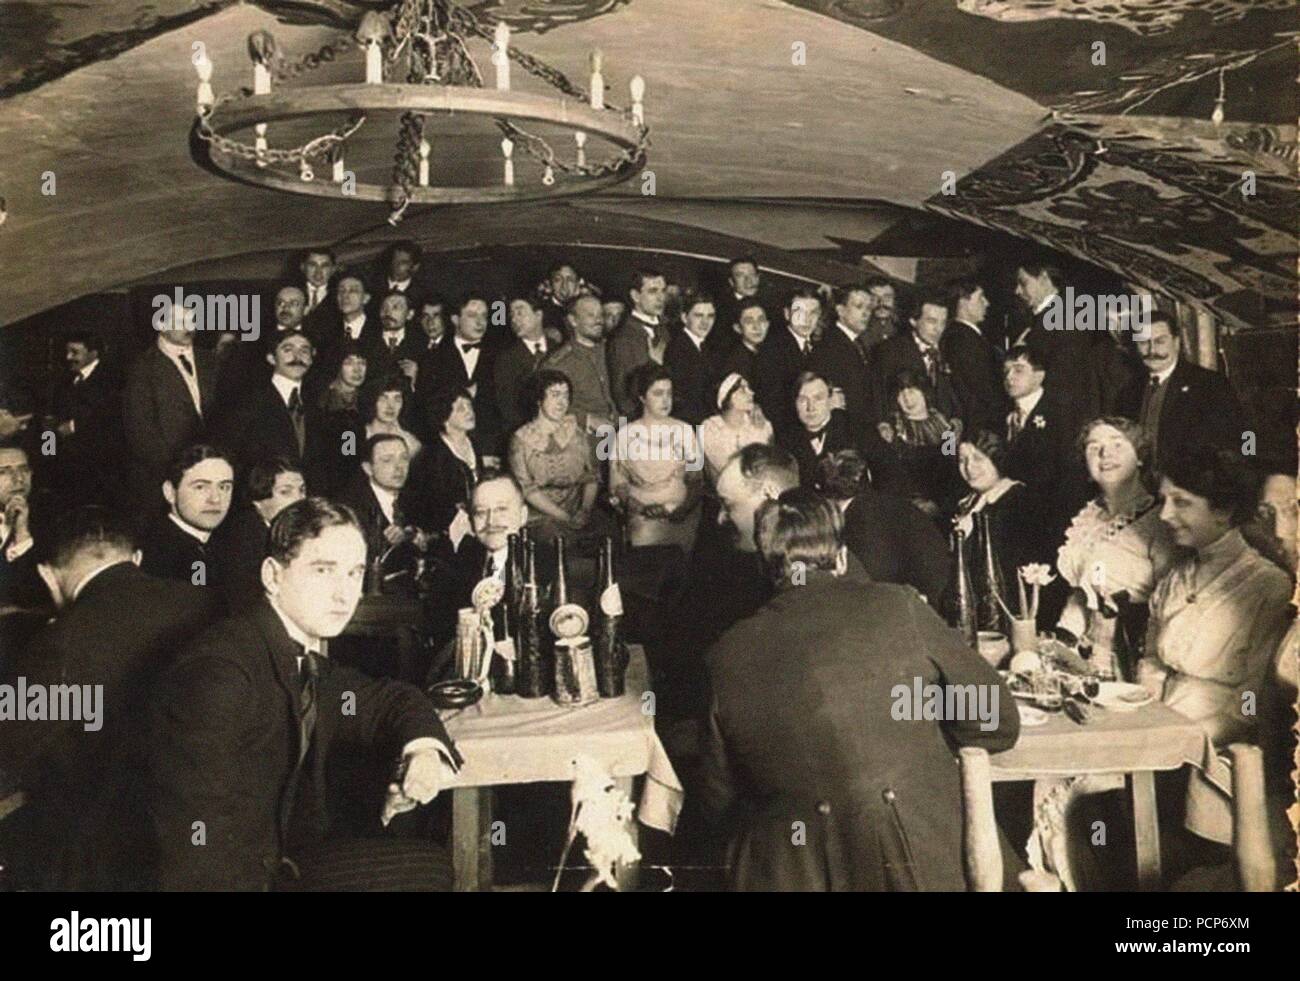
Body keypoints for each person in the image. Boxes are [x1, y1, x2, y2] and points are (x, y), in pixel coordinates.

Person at [699, 488, 1018, 891]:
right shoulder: (897, 605)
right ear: (843, 557)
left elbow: (718, 800)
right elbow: (998, 720)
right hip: (917, 862)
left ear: (765, 567)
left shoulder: (725, 654)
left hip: (794, 873)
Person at [148, 497, 463, 891]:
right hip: (238, 879)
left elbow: (390, 700)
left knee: (431, 864)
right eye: (323, 570)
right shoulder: (220, 674)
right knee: (427, 872)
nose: (344, 593)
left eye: (353, 573)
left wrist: (423, 751)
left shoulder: (294, 652)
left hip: (278, 858)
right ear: (272, 576)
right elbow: (195, 845)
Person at [0, 506, 220, 889]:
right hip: (206, 832)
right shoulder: (206, 605)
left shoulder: (59, 643)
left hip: (105, 855)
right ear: (136, 559)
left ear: (47, 575)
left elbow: (8, 745)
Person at [1141, 449, 1293, 748]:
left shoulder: (1268, 586)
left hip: (1218, 744)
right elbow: (1151, 660)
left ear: (1223, 511)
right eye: (1164, 501)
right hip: (1159, 722)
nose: (1164, 515)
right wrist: (1144, 718)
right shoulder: (1175, 576)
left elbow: (1251, 701)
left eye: (1181, 503)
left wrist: (1183, 742)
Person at [1055, 417, 1177, 677]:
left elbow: (1172, 606)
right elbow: (1084, 592)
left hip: (1137, 662)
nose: (1105, 453)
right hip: (1085, 658)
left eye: (1118, 444)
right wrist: (1062, 642)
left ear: (1140, 457)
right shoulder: (1090, 517)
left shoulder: (1161, 520)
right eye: (1093, 447)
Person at [823, 450, 952, 611]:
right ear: (868, 477)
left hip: (904, 614)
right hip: (936, 609)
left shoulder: (853, 524)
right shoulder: (896, 507)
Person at [1120, 314, 1248, 473]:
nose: (1152, 350)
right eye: (1144, 342)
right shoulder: (1129, 392)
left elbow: (1240, 439)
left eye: (1160, 341)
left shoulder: (1210, 385)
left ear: (1176, 342)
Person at [122, 305, 218, 515]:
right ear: (161, 326)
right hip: (161, 478)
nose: (190, 328)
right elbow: (140, 431)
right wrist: (176, 473)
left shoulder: (209, 360)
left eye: (193, 321)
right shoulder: (142, 368)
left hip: (209, 472)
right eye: (181, 322)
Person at [952, 431, 1051, 631]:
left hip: (1005, 618)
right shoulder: (970, 503)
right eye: (962, 460)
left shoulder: (1018, 501)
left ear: (997, 459)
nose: (969, 467)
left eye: (978, 458)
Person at [215, 329, 327, 492]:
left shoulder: (315, 406)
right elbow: (228, 457)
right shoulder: (247, 401)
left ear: (311, 358)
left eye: (304, 350)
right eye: (288, 350)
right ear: (271, 358)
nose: (297, 357)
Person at [609, 363, 703, 550]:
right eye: (658, 394)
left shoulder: (685, 431)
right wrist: (642, 509)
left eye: (669, 393)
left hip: (681, 518)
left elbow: (696, 479)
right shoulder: (625, 435)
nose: (666, 400)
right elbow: (617, 485)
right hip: (642, 521)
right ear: (642, 397)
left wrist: (682, 509)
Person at [509, 370, 600, 545]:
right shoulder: (520, 440)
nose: (562, 402)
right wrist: (565, 517)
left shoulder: (576, 432)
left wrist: (585, 510)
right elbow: (527, 489)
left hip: (578, 511)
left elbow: (591, 476)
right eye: (555, 395)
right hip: (540, 516)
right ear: (538, 399)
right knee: (558, 541)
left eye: (566, 396)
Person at [211, 458, 306, 609]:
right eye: (285, 492)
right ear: (258, 500)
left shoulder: (287, 529)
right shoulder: (241, 540)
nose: (299, 500)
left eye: (301, 490)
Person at [415, 293, 501, 455]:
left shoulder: (500, 355)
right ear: (455, 320)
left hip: (492, 450)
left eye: (484, 316)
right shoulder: (431, 359)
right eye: (472, 315)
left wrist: (489, 451)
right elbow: (425, 412)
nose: (480, 322)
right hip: (447, 451)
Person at [43, 331, 120, 508]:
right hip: (71, 470)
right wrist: (49, 453)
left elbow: (111, 415)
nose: (68, 357)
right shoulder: (65, 382)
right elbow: (51, 424)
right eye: (67, 352)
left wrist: (74, 426)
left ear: (93, 353)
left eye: (75, 352)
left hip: (103, 470)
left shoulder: (112, 379)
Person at [139, 443, 234, 587]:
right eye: (200, 487)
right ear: (170, 492)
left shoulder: (221, 545)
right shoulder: (160, 554)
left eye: (224, 487)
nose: (215, 499)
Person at [876, 368, 962, 518]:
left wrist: (941, 504)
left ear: (925, 392)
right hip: (907, 508)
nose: (907, 399)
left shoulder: (945, 426)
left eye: (912, 391)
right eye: (901, 394)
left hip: (943, 505)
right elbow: (890, 477)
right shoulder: (893, 429)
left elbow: (951, 469)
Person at [869, 290, 961, 424]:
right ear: (913, 321)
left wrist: (956, 419)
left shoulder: (947, 352)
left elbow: (950, 398)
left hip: (942, 436)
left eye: (943, 323)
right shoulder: (890, 350)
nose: (938, 329)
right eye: (932, 321)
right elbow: (879, 398)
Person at [543, 293, 617, 439]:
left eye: (601, 314)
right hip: (583, 441)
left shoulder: (612, 350)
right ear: (573, 320)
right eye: (590, 315)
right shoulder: (559, 363)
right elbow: (546, 407)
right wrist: (585, 420)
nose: (598, 320)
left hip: (620, 438)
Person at [808, 285, 876, 438]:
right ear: (841, 310)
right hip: (842, 432)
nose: (866, 313)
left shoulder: (859, 344)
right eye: (859, 306)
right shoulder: (829, 345)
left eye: (869, 308)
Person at [413, 388, 480, 537]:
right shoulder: (433, 455)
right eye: (461, 408)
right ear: (444, 416)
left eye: (470, 406)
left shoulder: (473, 444)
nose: (469, 412)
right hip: (447, 530)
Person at [942, 280, 1006, 435]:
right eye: (981, 298)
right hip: (975, 427)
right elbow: (981, 387)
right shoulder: (962, 339)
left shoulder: (967, 336)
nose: (987, 303)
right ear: (963, 302)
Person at [755, 287, 821, 437]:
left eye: (813, 313)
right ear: (787, 314)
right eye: (800, 313)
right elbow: (773, 403)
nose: (807, 319)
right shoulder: (772, 348)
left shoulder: (818, 347)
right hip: (789, 433)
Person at [608, 269, 670, 417]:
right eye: (653, 291)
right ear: (635, 296)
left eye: (663, 291)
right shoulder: (623, 338)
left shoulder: (666, 329)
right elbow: (623, 396)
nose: (661, 298)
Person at [494, 294, 553, 436]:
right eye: (511, 315)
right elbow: (507, 408)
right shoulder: (505, 358)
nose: (514, 319)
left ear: (538, 315)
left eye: (520, 313)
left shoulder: (559, 348)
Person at [698, 374, 774, 485]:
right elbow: (726, 472)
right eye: (743, 390)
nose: (751, 393)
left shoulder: (762, 424)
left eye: (749, 388)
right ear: (726, 397)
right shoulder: (710, 428)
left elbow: (769, 466)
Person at [664, 289, 720, 426]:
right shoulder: (677, 348)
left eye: (710, 316)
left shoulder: (705, 346)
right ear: (684, 318)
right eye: (699, 315)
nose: (705, 322)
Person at [0, 442, 46, 609]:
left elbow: (37, 596)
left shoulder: (48, 523)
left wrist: (22, 535)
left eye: (24, 470)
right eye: (4, 472)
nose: (19, 479)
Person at [716, 298, 769, 387]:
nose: (757, 327)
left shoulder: (773, 354)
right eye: (749, 322)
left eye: (761, 320)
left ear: (767, 324)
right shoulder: (734, 363)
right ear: (737, 328)